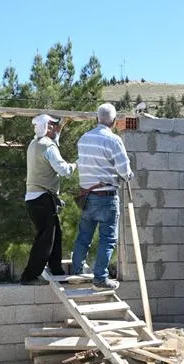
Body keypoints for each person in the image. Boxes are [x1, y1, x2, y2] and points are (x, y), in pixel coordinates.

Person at [71, 103, 134, 290]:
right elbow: (124, 170)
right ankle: (100, 279)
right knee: (107, 239)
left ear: (96, 119)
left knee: (84, 235)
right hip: (106, 197)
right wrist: (129, 175)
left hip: (87, 196)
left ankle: (76, 270)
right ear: (114, 122)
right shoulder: (114, 141)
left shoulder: (83, 139)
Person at [19, 114, 76, 286]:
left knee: (55, 234)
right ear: (47, 127)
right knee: (45, 240)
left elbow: (51, 147)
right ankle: (29, 276)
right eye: (53, 125)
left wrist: (59, 131)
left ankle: (56, 269)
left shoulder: (34, 143)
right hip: (43, 199)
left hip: (34, 199)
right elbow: (64, 170)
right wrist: (76, 164)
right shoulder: (48, 147)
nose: (56, 127)